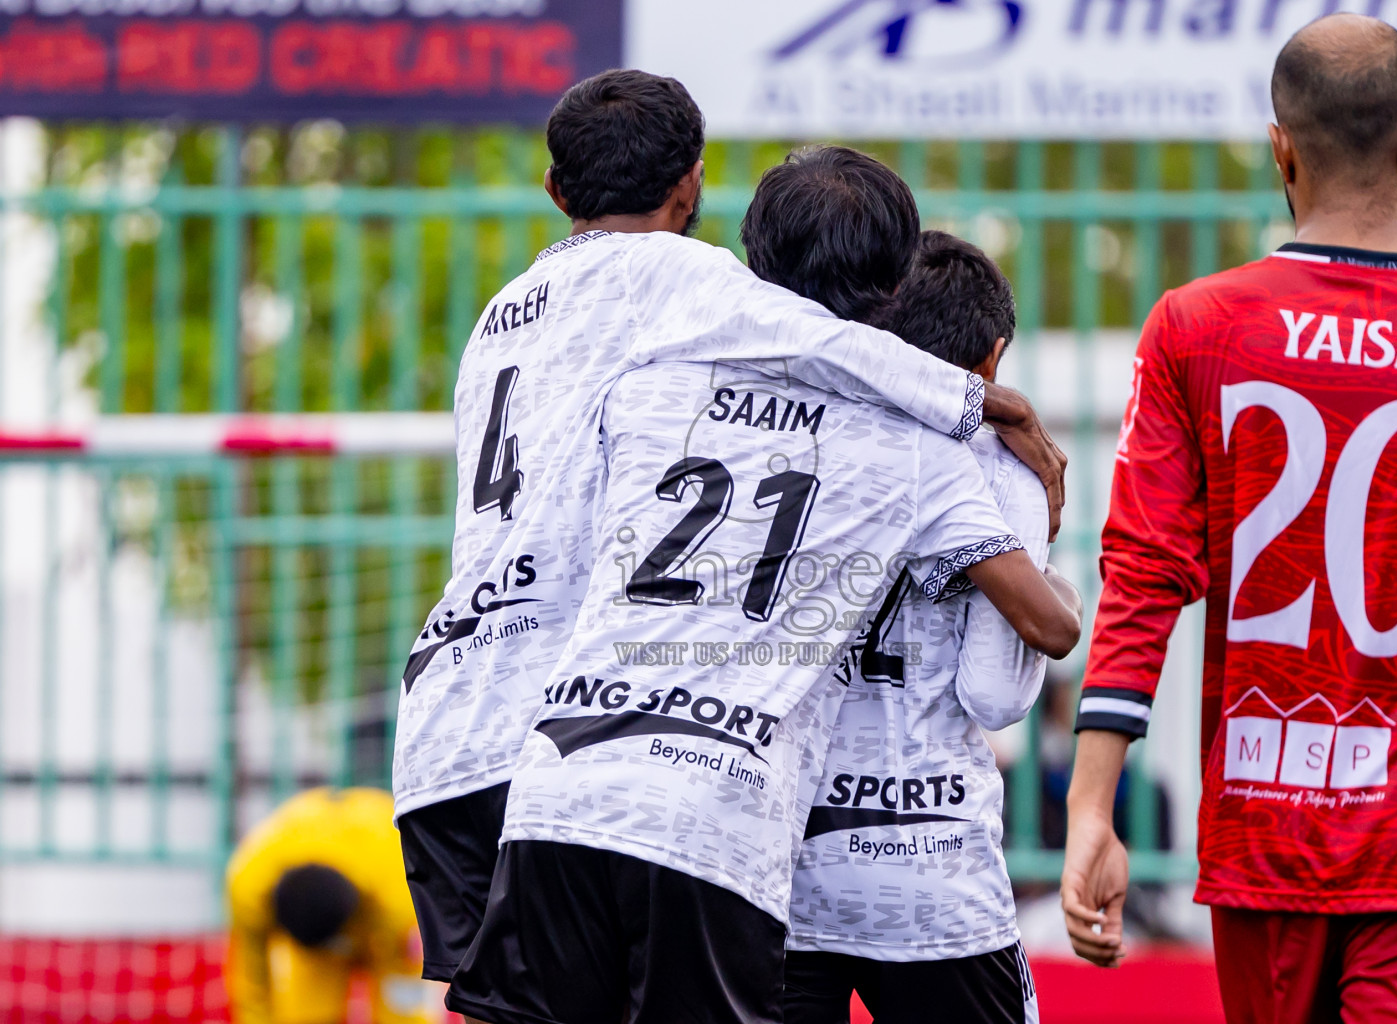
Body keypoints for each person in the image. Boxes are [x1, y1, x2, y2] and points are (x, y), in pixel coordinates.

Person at [391, 69, 1066, 987]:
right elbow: (831, 346)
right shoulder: (687, 284)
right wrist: (993, 404)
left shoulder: (500, 319)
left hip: (451, 716)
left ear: (554, 191)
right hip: (584, 727)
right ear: (693, 184)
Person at [1060, 13, 1397, 1023]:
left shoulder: (1198, 324)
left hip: (1266, 842)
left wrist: (1091, 806)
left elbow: (1143, 574)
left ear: (1282, 147)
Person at [783, 231, 1066, 1024]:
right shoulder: (996, 462)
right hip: (929, 869)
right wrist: (1053, 568)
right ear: (993, 356)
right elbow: (996, 696)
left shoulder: (801, 440)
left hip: (790, 865)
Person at [225, 788, 436, 1024]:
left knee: (403, 1013)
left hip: (385, 922)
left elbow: (406, 964)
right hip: (321, 927)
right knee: (309, 1016)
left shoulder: (401, 886)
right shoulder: (250, 883)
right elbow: (253, 983)